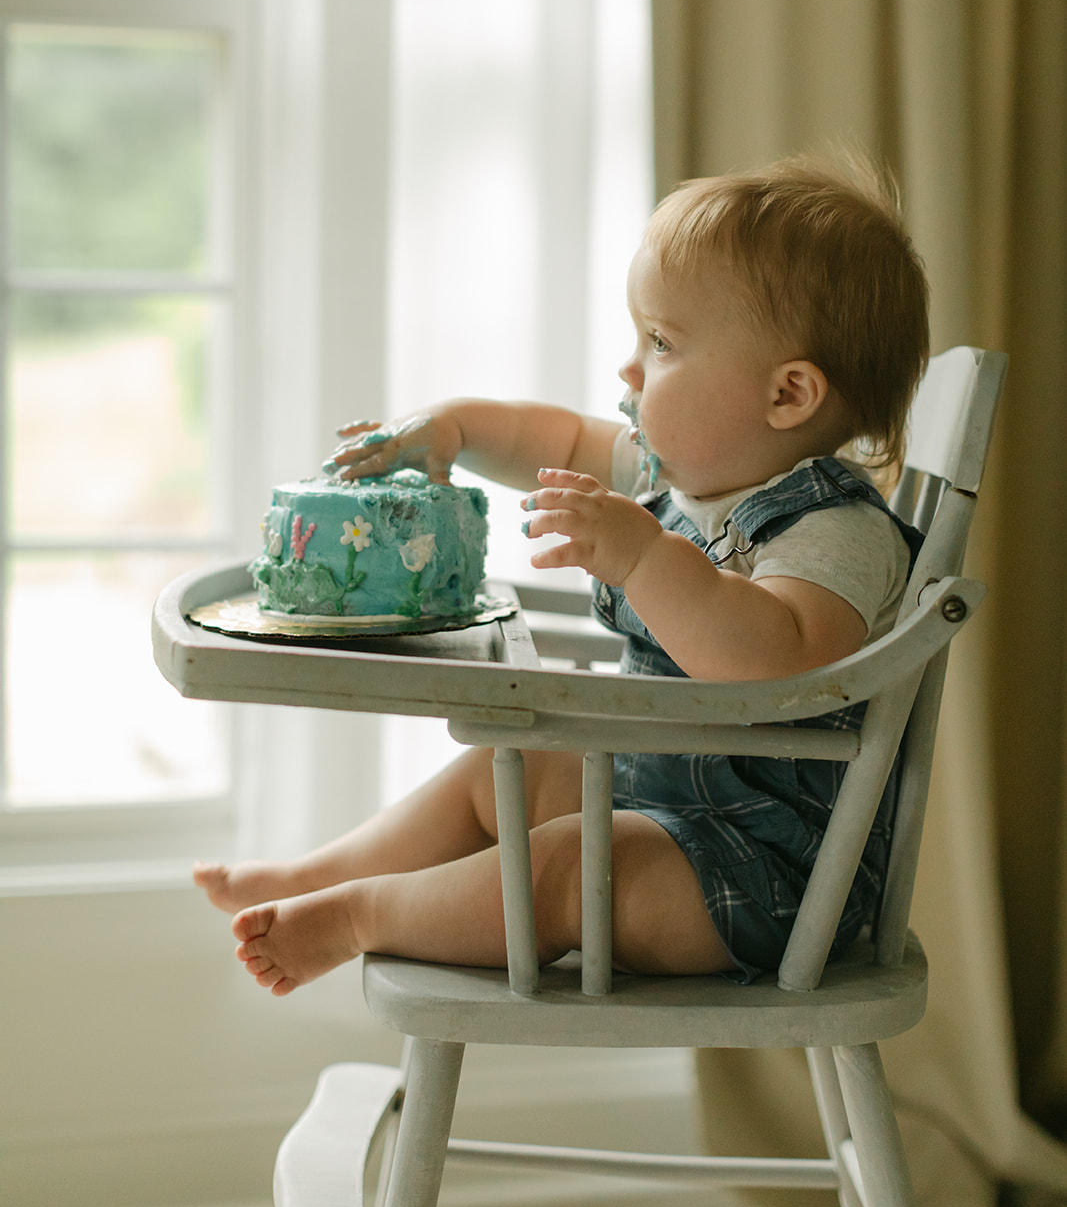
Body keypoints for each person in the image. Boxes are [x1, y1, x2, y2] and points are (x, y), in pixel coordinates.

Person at [195, 152, 929, 996]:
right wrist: (456, 428)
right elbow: (560, 442)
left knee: (578, 863)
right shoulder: (683, 476)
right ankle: (314, 875)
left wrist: (649, 559)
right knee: (507, 766)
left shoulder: (832, 527)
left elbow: (779, 662)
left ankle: (364, 913)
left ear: (788, 394)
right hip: (658, 796)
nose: (628, 370)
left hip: (766, 877)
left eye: (660, 343)